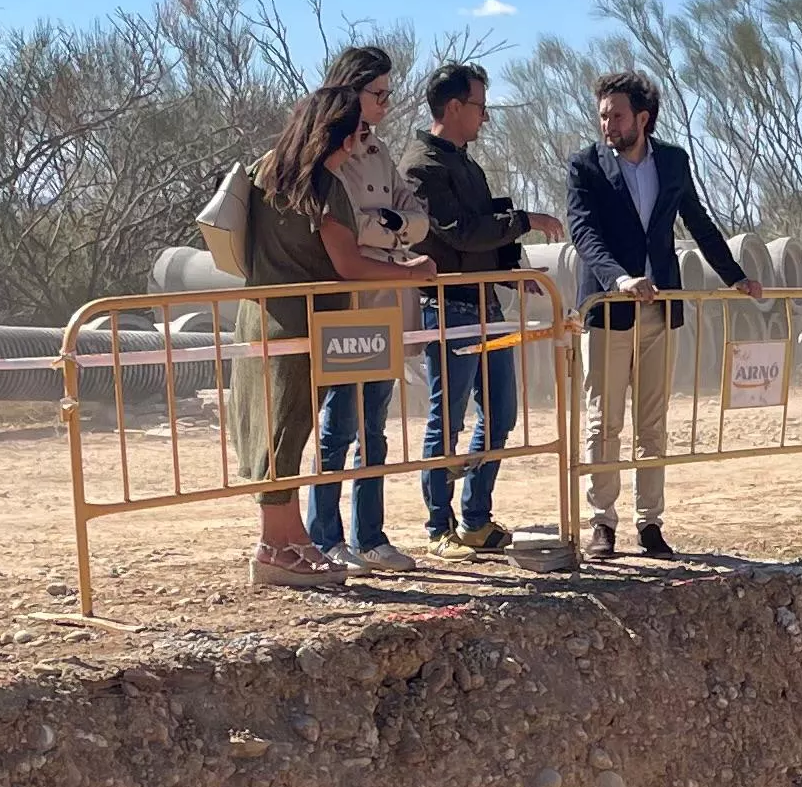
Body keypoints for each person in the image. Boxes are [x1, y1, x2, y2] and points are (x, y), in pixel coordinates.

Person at [197, 76, 410, 592]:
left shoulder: (265, 171)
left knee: (273, 432)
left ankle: (289, 540)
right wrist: (412, 272)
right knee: (286, 433)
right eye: (356, 133)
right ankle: (276, 548)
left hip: (260, 314)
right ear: (337, 136)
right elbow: (349, 263)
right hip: (302, 323)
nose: (362, 143)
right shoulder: (323, 187)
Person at [561, 70, 759, 561]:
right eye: (603, 114)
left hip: (661, 311)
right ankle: (601, 524)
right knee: (602, 423)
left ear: (642, 118)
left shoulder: (672, 162)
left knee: (653, 425)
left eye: (617, 115)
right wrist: (619, 279)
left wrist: (734, 276)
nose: (607, 123)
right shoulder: (584, 166)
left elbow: (699, 223)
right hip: (608, 311)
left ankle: (650, 524)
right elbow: (584, 234)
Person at [400, 61, 560, 555]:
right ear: (454, 107)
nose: (485, 118)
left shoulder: (465, 162)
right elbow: (461, 232)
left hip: (486, 303)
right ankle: (438, 526)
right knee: (446, 420)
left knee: (500, 412)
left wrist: (513, 267)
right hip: (448, 306)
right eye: (480, 107)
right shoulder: (421, 167)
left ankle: (476, 518)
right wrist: (525, 220)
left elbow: (482, 224)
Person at [304, 48, 432, 571]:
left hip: (385, 301)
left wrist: (393, 225)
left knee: (375, 425)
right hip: (346, 299)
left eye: (387, 93)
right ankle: (324, 537)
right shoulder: (325, 154)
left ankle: (371, 535)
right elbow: (345, 229)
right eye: (377, 93)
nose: (384, 103)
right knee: (338, 426)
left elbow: (419, 217)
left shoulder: (379, 151)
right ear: (351, 91)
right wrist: (388, 226)